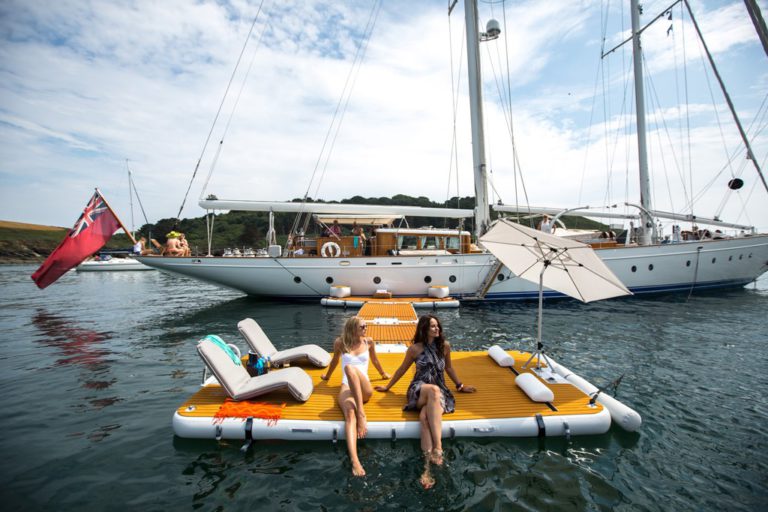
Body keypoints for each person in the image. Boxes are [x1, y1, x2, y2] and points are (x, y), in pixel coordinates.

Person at [375, 314, 476, 489]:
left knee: (424, 419)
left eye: (437, 326)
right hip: (419, 390)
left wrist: (460, 386)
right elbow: (401, 369)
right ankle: (438, 448)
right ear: (424, 329)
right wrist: (387, 387)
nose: (437, 329)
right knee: (433, 390)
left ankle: (426, 469)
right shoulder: (415, 349)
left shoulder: (444, 347)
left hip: (439, 391)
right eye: (432, 326)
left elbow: (449, 368)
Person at [321, 316, 390, 477]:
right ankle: (355, 461)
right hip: (346, 387)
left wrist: (382, 373)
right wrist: (327, 377)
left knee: (350, 368)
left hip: (365, 388)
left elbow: (374, 360)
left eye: (366, 326)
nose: (366, 329)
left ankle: (361, 412)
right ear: (353, 328)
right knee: (349, 415)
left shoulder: (369, 342)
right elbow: (334, 362)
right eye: (362, 327)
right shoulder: (340, 343)